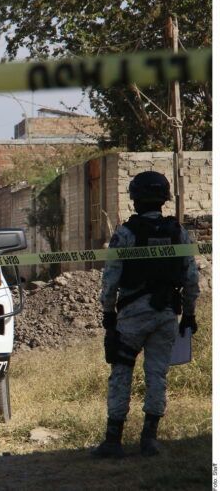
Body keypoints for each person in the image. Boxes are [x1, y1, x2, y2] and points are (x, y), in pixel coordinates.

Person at [92, 171, 199, 458]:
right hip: (166, 315)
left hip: (132, 317)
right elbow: (191, 277)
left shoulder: (125, 234)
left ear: (136, 199)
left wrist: (107, 313)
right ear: (164, 199)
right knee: (157, 375)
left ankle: (113, 441)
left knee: (121, 373)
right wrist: (189, 314)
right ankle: (149, 439)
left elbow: (110, 279)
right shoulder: (178, 232)